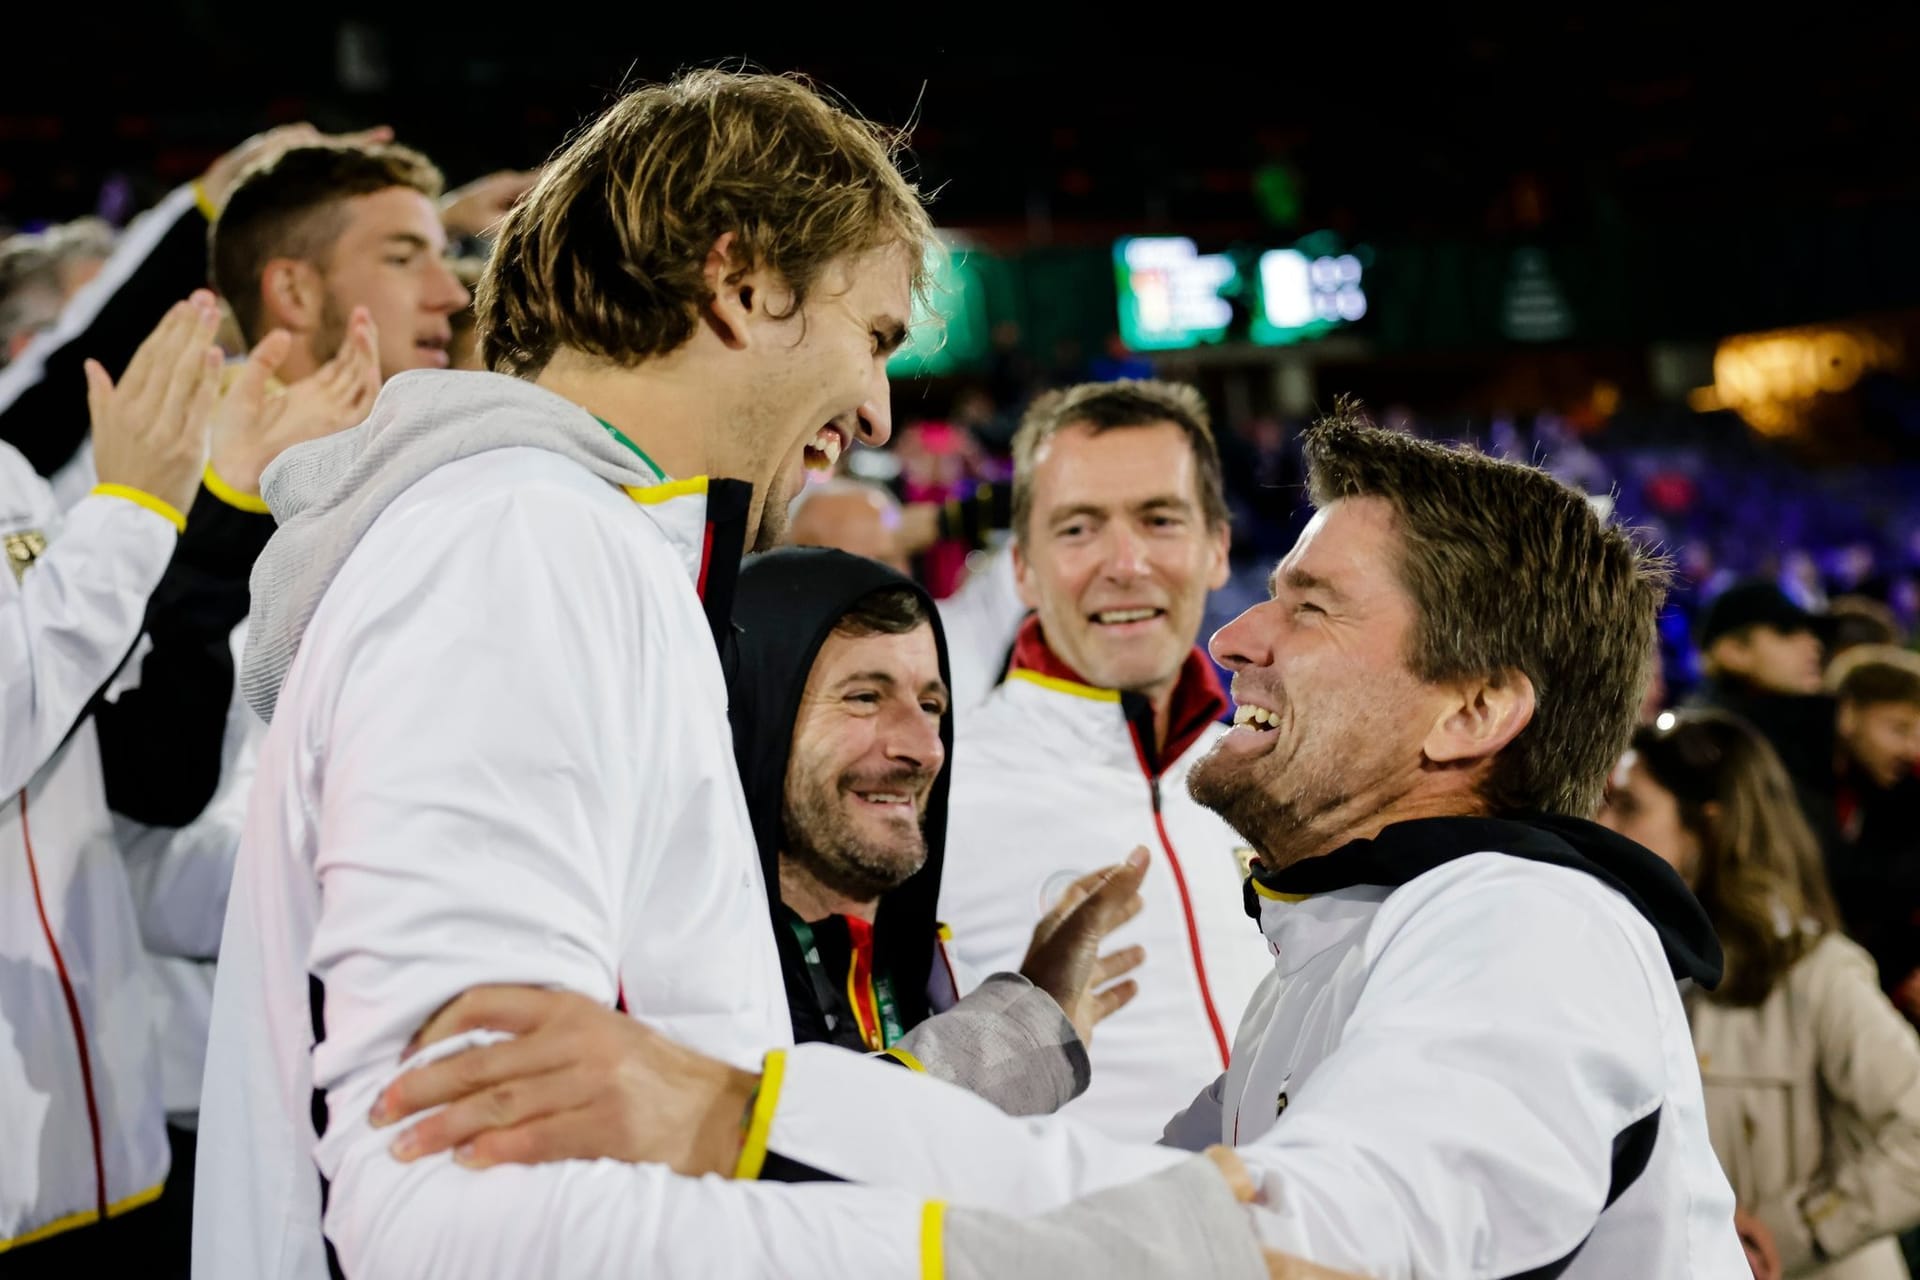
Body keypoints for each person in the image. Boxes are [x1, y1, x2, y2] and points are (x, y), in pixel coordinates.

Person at [197, 69, 1293, 1280]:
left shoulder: (560, 544)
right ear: (743, 284)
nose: (878, 410)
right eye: (872, 335)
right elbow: (449, 1203)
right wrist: (1029, 1247)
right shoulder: (525, 548)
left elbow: (657, 1109)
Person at [380, 409, 1750, 1277]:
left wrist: (741, 1120)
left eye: (1312, 608)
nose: (1238, 636)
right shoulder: (1351, 940)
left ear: (1474, 708)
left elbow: (1294, 1247)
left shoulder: (1530, 926)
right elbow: (1142, 1200)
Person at [935, 378, 1272, 1138]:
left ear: (1217, 546)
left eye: (1159, 520)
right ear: (1020, 566)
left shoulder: (1287, 781)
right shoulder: (934, 788)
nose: (1125, 564)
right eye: (1079, 529)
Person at [728, 545, 1142, 1112]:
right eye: (865, 698)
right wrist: (1022, 1033)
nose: (924, 750)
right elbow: (791, 1162)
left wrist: (1030, 1007)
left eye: (930, 705)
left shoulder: (951, 988)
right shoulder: (680, 981)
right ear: (754, 715)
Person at [0, 296, 224, 1266]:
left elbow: (119, 751)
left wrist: (222, 520)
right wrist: (134, 515)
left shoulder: (7, 471)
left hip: (99, 1120)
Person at [1602, 710, 1920, 1279]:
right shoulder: (1631, 967)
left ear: (1710, 827)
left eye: (1630, 807)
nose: (1604, 824)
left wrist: (1793, 1230)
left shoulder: (1817, 975)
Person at [788, 476, 1028, 712]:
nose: (884, 581)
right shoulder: (781, 667)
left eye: (889, 559)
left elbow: (1044, 503)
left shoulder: (956, 633)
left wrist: (946, 520)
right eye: (860, 566)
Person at [1827, 646, 1920, 1017]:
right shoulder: (1803, 795)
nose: (1912, 750)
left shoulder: (1898, 800)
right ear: (1847, 714)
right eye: (1899, 729)